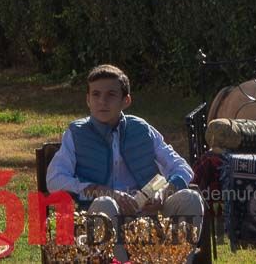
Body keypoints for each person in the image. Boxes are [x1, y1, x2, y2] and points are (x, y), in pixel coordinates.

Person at [46, 64, 204, 260]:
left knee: (191, 198)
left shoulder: (142, 129)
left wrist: (163, 192)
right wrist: (100, 190)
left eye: (111, 94)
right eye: (95, 94)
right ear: (88, 100)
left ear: (125, 100)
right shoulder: (76, 133)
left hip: (147, 215)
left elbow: (181, 168)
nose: (102, 101)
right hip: (99, 217)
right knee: (106, 204)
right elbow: (54, 180)